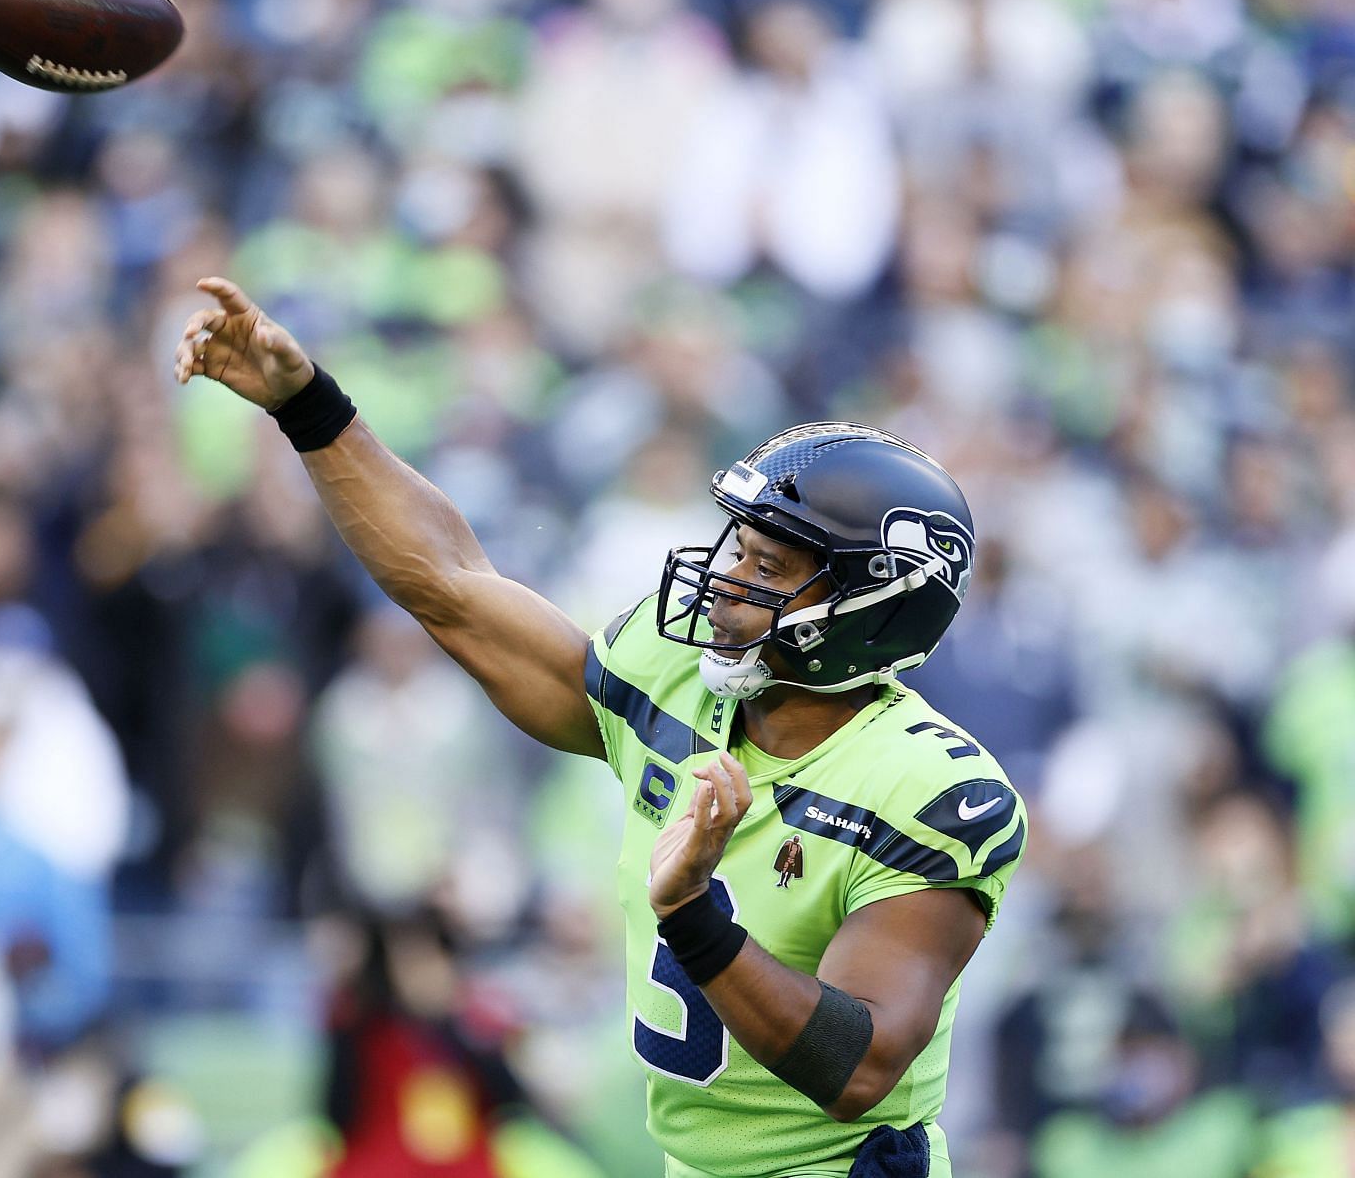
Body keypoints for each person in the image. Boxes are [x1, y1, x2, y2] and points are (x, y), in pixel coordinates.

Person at [173, 278, 1027, 1178]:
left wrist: (694, 915)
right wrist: (309, 406)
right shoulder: (677, 681)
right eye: (735, 544)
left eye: (767, 565)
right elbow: (452, 586)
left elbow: (858, 1064)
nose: (726, 578)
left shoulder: (929, 790)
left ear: (869, 609)